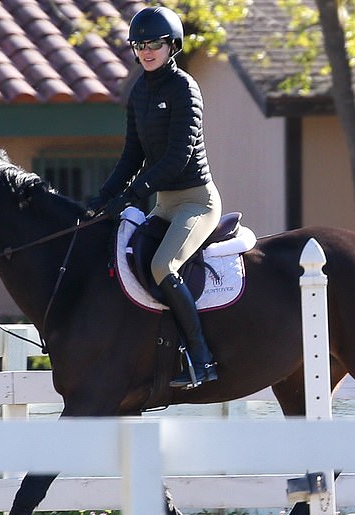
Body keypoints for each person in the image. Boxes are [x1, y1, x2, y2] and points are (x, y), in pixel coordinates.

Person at [88, 6, 221, 389]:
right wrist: (102, 198)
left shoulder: (184, 88)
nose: (146, 51)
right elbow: (132, 155)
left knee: (163, 265)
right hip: (164, 204)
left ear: (172, 46)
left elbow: (177, 157)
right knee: (128, 260)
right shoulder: (138, 93)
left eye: (154, 44)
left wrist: (132, 194)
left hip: (196, 203)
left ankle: (201, 357)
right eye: (140, 44)